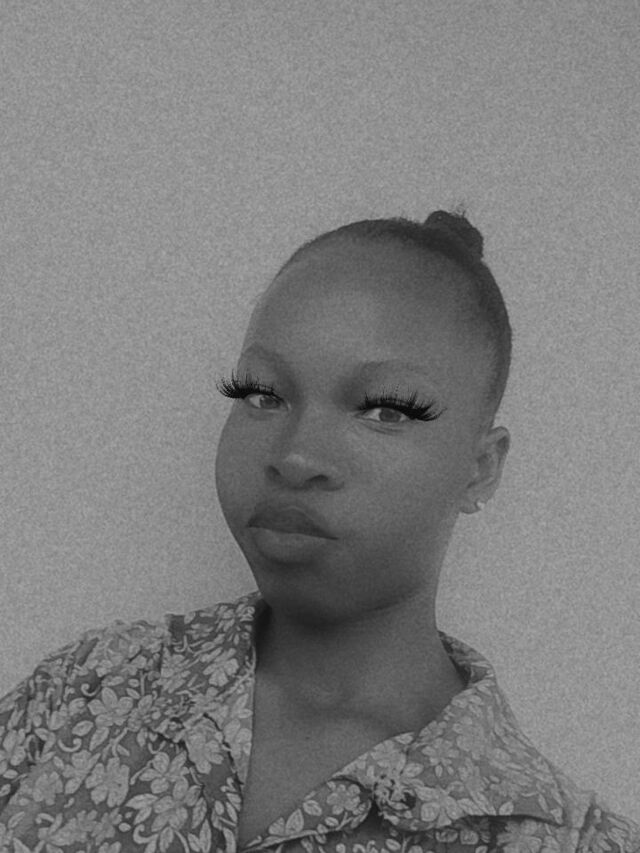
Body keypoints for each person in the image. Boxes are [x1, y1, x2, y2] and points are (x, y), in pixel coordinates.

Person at [0, 212, 637, 853]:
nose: (296, 456)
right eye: (262, 394)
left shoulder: (566, 840)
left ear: (481, 468)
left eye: (386, 409)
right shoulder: (88, 688)